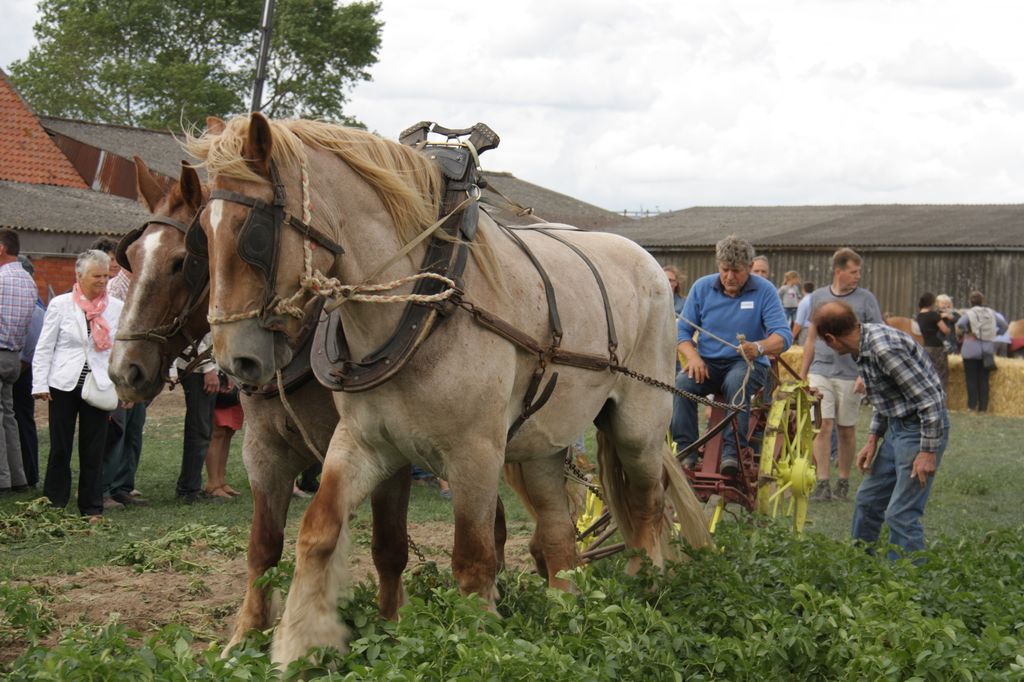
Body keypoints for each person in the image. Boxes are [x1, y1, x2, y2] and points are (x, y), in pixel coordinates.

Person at [813, 301, 949, 559]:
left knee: (901, 513)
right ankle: (860, 564)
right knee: (868, 500)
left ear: (830, 338)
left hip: (919, 429)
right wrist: (873, 438)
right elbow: (886, 397)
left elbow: (931, 400)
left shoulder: (884, 349)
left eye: (823, 341)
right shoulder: (861, 346)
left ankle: (908, 582)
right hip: (897, 426)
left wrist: (927, 452)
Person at [671, 236, 792, 475]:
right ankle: (687, 451)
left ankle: (731, 452)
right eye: (724, 270)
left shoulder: (764, 291)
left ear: (749, 268)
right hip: (708, 364)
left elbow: (783, 336)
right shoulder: (702, 287)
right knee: (682, 384)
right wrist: (693, 357)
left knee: (737, 381)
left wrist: (757, 347)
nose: (729, 277)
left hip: (747, 363)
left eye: (736, 271)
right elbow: (682, 332)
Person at [32, 250, 123, 522]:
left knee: (93, 447)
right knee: (60, 446)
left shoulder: (115, 307)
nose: (102, 281)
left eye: (106, 276)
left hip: (99, 383)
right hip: (63, 383)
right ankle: (54, 502)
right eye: (97, 276)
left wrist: (121, 387)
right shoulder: (60, 305)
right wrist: (40, 382)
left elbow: (119, 350)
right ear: (79, 275)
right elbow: (45, 346)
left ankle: (91, 507)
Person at [801, 248, 883, 502]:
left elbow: (877, 337)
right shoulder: (819, 297)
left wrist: (865, 375)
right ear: (839, 271)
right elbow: (811, 339)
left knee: (846, 429)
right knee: (823, 425)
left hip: (851, 373)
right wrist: (803, 374)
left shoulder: (866, 300)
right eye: (853, 271)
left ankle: (843, 482)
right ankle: (823, 482)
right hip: (821, 370)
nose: (858, 276)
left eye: (859, 271)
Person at [99, 256, 147, 508]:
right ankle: (105, 489)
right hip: (120, 371)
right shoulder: (113, 290)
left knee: (133, 431)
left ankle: (123, 486)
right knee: (117, 430)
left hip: (139, 369)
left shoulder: (143, 285)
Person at [0, 229, 37, 494]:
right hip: (14, 355)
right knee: (9, 417)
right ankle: (18, 477)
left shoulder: (0, 279)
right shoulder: (27, 280)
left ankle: (2, 479)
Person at [175, 333, 220, 503]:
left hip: (207, 367)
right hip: (196, 369)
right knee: (199, 429)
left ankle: (190, 486)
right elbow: (192, 337)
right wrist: (208, 369)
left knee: (203, 428)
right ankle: (188, 489)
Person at [14, 256, 45, 489]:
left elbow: (32, 342)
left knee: (21, 420)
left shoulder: (33, 306)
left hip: (21, 371)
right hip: (20, 368)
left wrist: (19, 368)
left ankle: (29, 474)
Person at [955, 291, 1007, 412]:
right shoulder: (991, 312)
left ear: (970, 301)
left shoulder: (969, 313)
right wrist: (993, 334)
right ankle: (983, 408)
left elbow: (960, 324)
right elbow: (1004, 326)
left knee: (971, 378)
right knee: (984, 379)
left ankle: (972, 406)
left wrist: (967, 333)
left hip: (971, 349)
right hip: (987, 350)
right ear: (983, 301)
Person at [205, 371, 243, 500]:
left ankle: (221, 481)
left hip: (235, 377)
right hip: (218, 374)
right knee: (218, 432)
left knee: (228, 432)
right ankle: (213, 483)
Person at [915, 292, 950, 395]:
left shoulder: (918, 316)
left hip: (923, 346)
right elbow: (945, 330)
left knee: (927, 373)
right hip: (936, 347)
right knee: (941, 373)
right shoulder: (933, 315)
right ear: (931, 303)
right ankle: (941, 397)